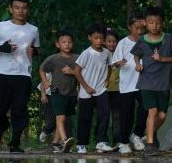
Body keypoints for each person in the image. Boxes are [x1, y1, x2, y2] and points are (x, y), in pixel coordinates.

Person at [0, 0, 40, 153]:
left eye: (24, 8)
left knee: (19, 109)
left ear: (27, 9)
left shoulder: (33, 30)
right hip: (2, 74)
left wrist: (35, 51)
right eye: (17, 7)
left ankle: (15, 143)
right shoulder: (1, 26)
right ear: (11, 9)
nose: (20, 11)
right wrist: (2, 48)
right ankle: (2, 127)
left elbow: (37, 49)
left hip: (23, 75)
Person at [131, 6, 172, 154]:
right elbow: (136, 54)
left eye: (157, 22)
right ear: (145, 23)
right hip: (147, 82)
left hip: (163, 84)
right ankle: (150, 144)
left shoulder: (168, 38)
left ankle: (147, 134)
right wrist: (137, 64)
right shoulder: (142, 41)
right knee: (152, 111)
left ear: (162, 23)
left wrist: (162, 58)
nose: (154, 25)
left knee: (162, 115)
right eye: (151, 22)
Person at [73, 22, 114, 154]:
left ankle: (101, 141)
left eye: (101, 38)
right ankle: (81, 144)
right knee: (85, 118)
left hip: (101, 90)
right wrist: (86, 87)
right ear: (89, 37)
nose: (99, 41)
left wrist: (107, 79)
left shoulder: (107, 53)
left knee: (104, 114)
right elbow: (77, 71)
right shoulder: (86, 53)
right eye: (96, 38)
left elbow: (109, 66)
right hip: (87, 91)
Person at [111, 10, 147, 155]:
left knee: (145, 108)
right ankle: (124, 143)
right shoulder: (123, 43)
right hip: (127, 85)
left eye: (141, 28)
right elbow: (115, 62)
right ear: (129, 27)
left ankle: (136, 134)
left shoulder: (146, 41)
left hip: (143, 83)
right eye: (136, 28)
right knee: (127, 114)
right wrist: (119, 63)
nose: (139, 31)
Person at [39, 31, 79, 153]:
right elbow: (41, 69)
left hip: (72, 93)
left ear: (73, 43)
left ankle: (55, 143)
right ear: (58, 44)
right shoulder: (53, 58)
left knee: (64, 118)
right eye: (64, 42)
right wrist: (45, 82)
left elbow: (82, 73)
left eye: (69, 42)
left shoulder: (77, 58)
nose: (67, 44)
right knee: (60, 117)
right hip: (57, 91)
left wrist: (72, 72)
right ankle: (65, 140)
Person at [104, 28, 121, 148]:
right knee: (103, 116)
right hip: (102, 90)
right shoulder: (101, 54)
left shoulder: (121, 54)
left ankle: (117, 142)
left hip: (117, 90)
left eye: (114, 41)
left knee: (117, 117)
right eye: (109, 41)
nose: (111, 44)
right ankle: (102, 141)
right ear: (104, 42)